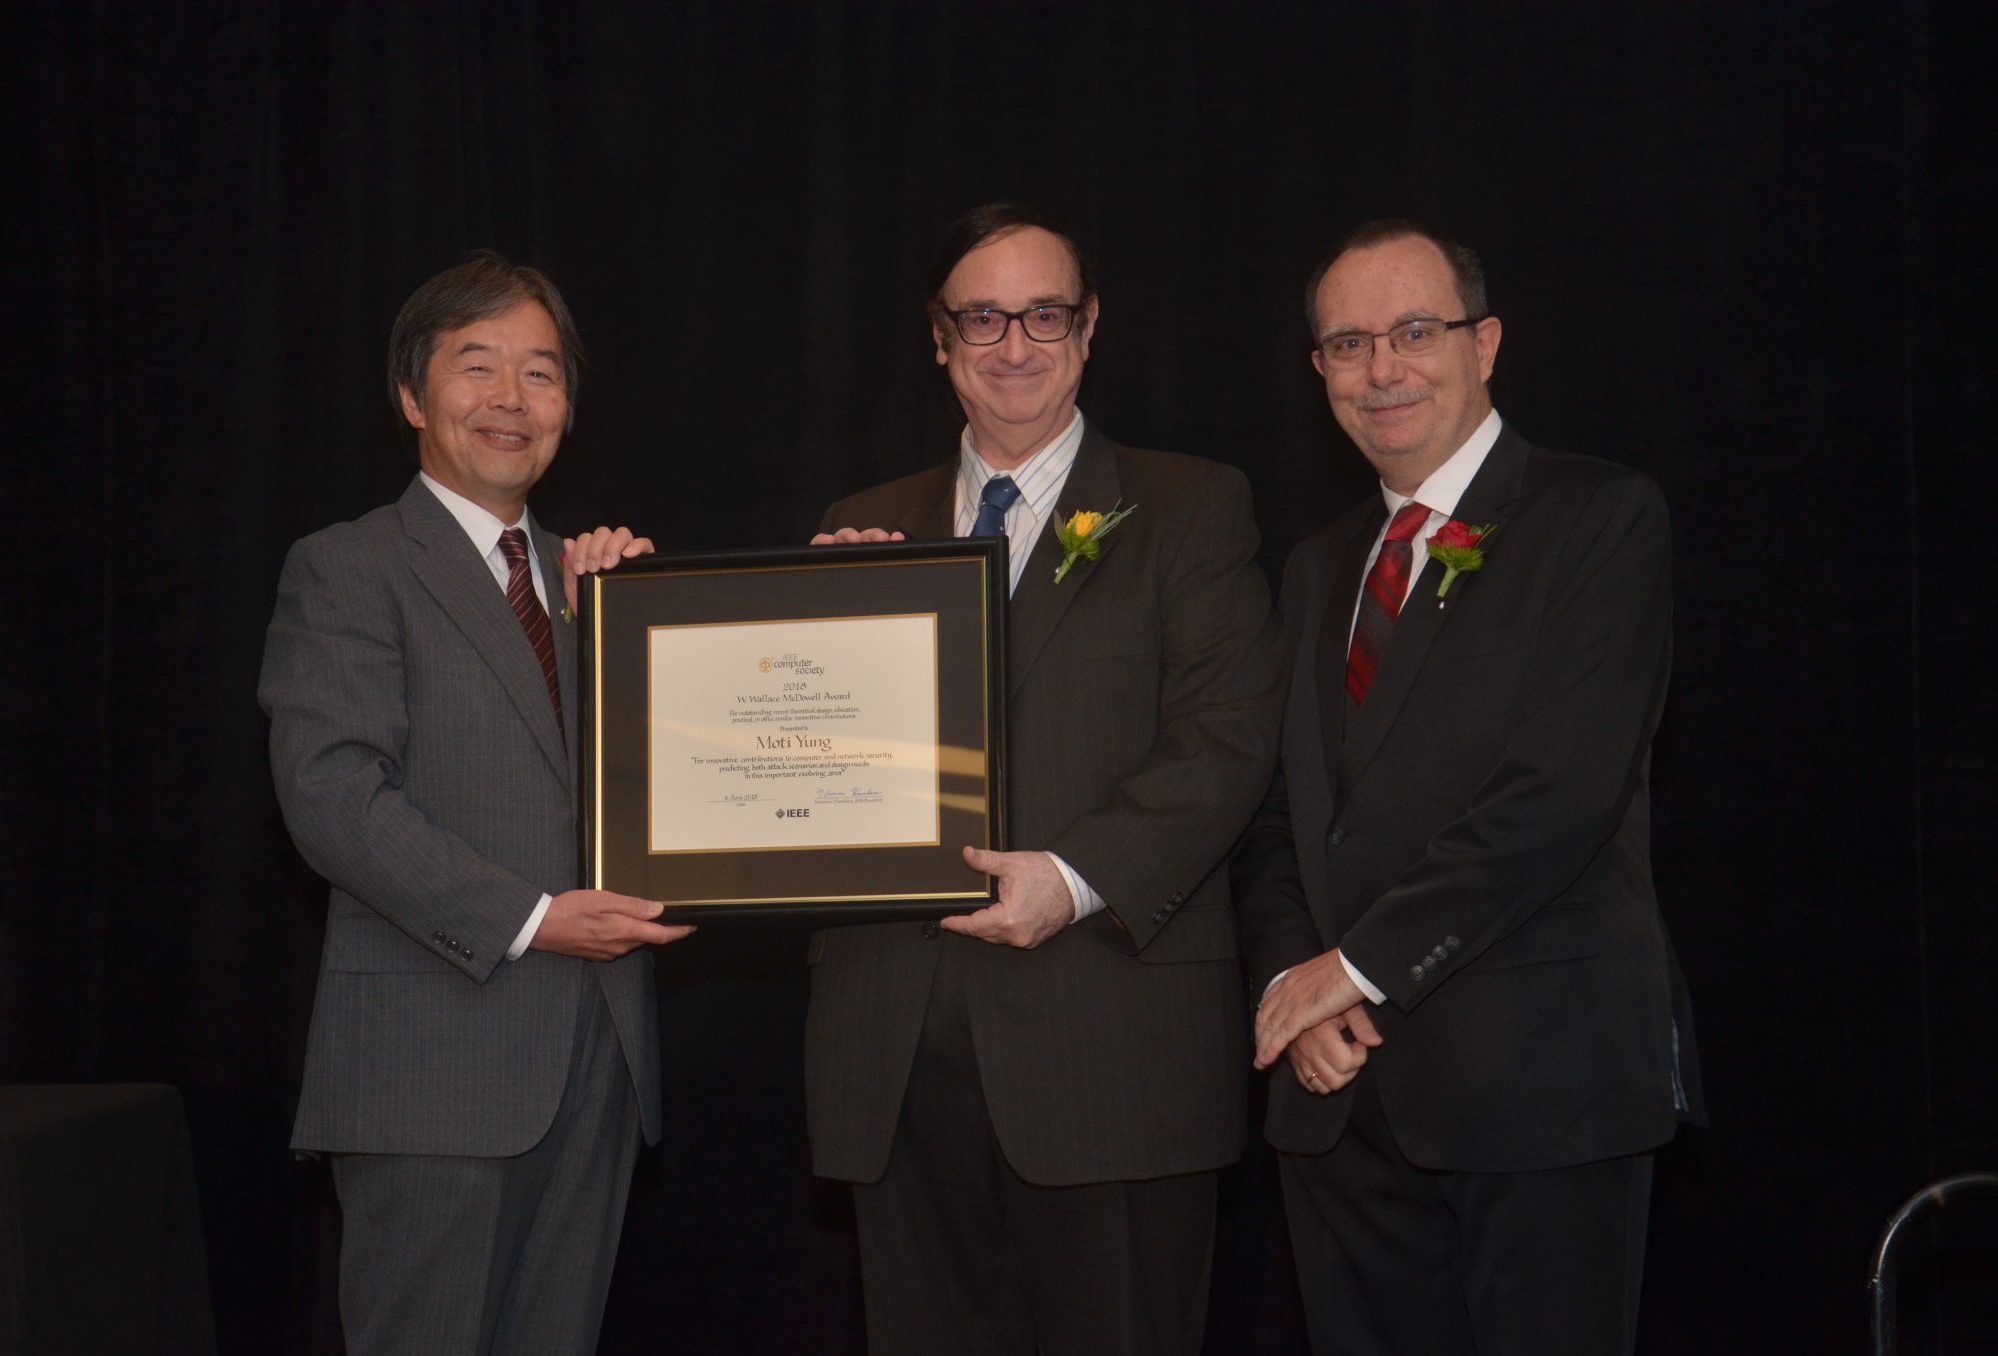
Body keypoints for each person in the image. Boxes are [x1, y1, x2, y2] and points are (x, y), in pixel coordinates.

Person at [806, 204, 1283, 1355]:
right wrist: (828, 634)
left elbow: (1225, 743)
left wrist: (1071, 881)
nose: (1013, 344)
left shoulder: (1190, 506)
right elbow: (810, 775)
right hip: (895, 1052)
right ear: (938, 337)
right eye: (982, 317)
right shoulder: (857, 527)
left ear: (1087, 330)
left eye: (1043, 315)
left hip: (1108, 1049)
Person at [1234, 220, 1704, 1355]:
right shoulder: (1313, 568)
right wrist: (1296, 991)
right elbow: (1273, 823)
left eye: (1412, 332)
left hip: (1538, 1092)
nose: (1380, 368)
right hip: (1337, 1105)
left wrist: (1346, 973)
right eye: (1347, 344)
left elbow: (1557, 799)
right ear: (1318, 375)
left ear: (1483, 344)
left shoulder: (1598, 519)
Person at [259, 251, 692, 1355]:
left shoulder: (593, 585)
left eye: (541, 374)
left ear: (569, 409)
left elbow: (672, 789)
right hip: (431, 1074)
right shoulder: (348, 567)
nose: (511, 399)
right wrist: (538, 919)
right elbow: (333, 797)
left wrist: (641, 631)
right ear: (412, 396)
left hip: (597, 1063)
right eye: (477, 365)